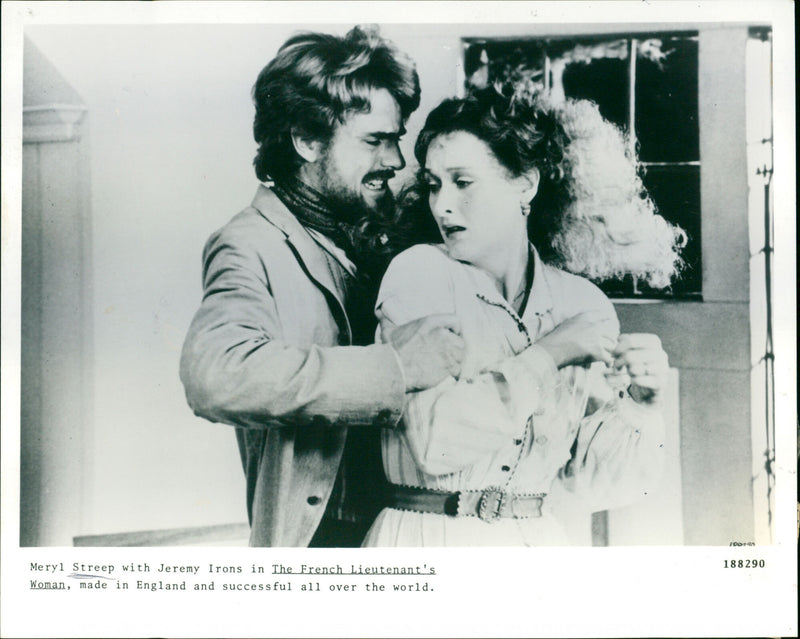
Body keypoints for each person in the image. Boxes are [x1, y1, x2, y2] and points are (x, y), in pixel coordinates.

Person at [362, 86, 686, 546]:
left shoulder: (583, 306)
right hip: (426, 543)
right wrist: (553, 353)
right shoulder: (419, 273)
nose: (442, 204)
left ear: (525, 184)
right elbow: (437, 442)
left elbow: (595, 485)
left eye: (462, 182)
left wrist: (642, 403)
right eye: (434, 184)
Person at [179, 26, 465, 547]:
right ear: (307, 139)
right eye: (375, 141)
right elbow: (214, 374)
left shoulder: (381, 230)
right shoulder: (247, 243)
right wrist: (396, 370)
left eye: (397, 139)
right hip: (320, 548)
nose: (396, 162)